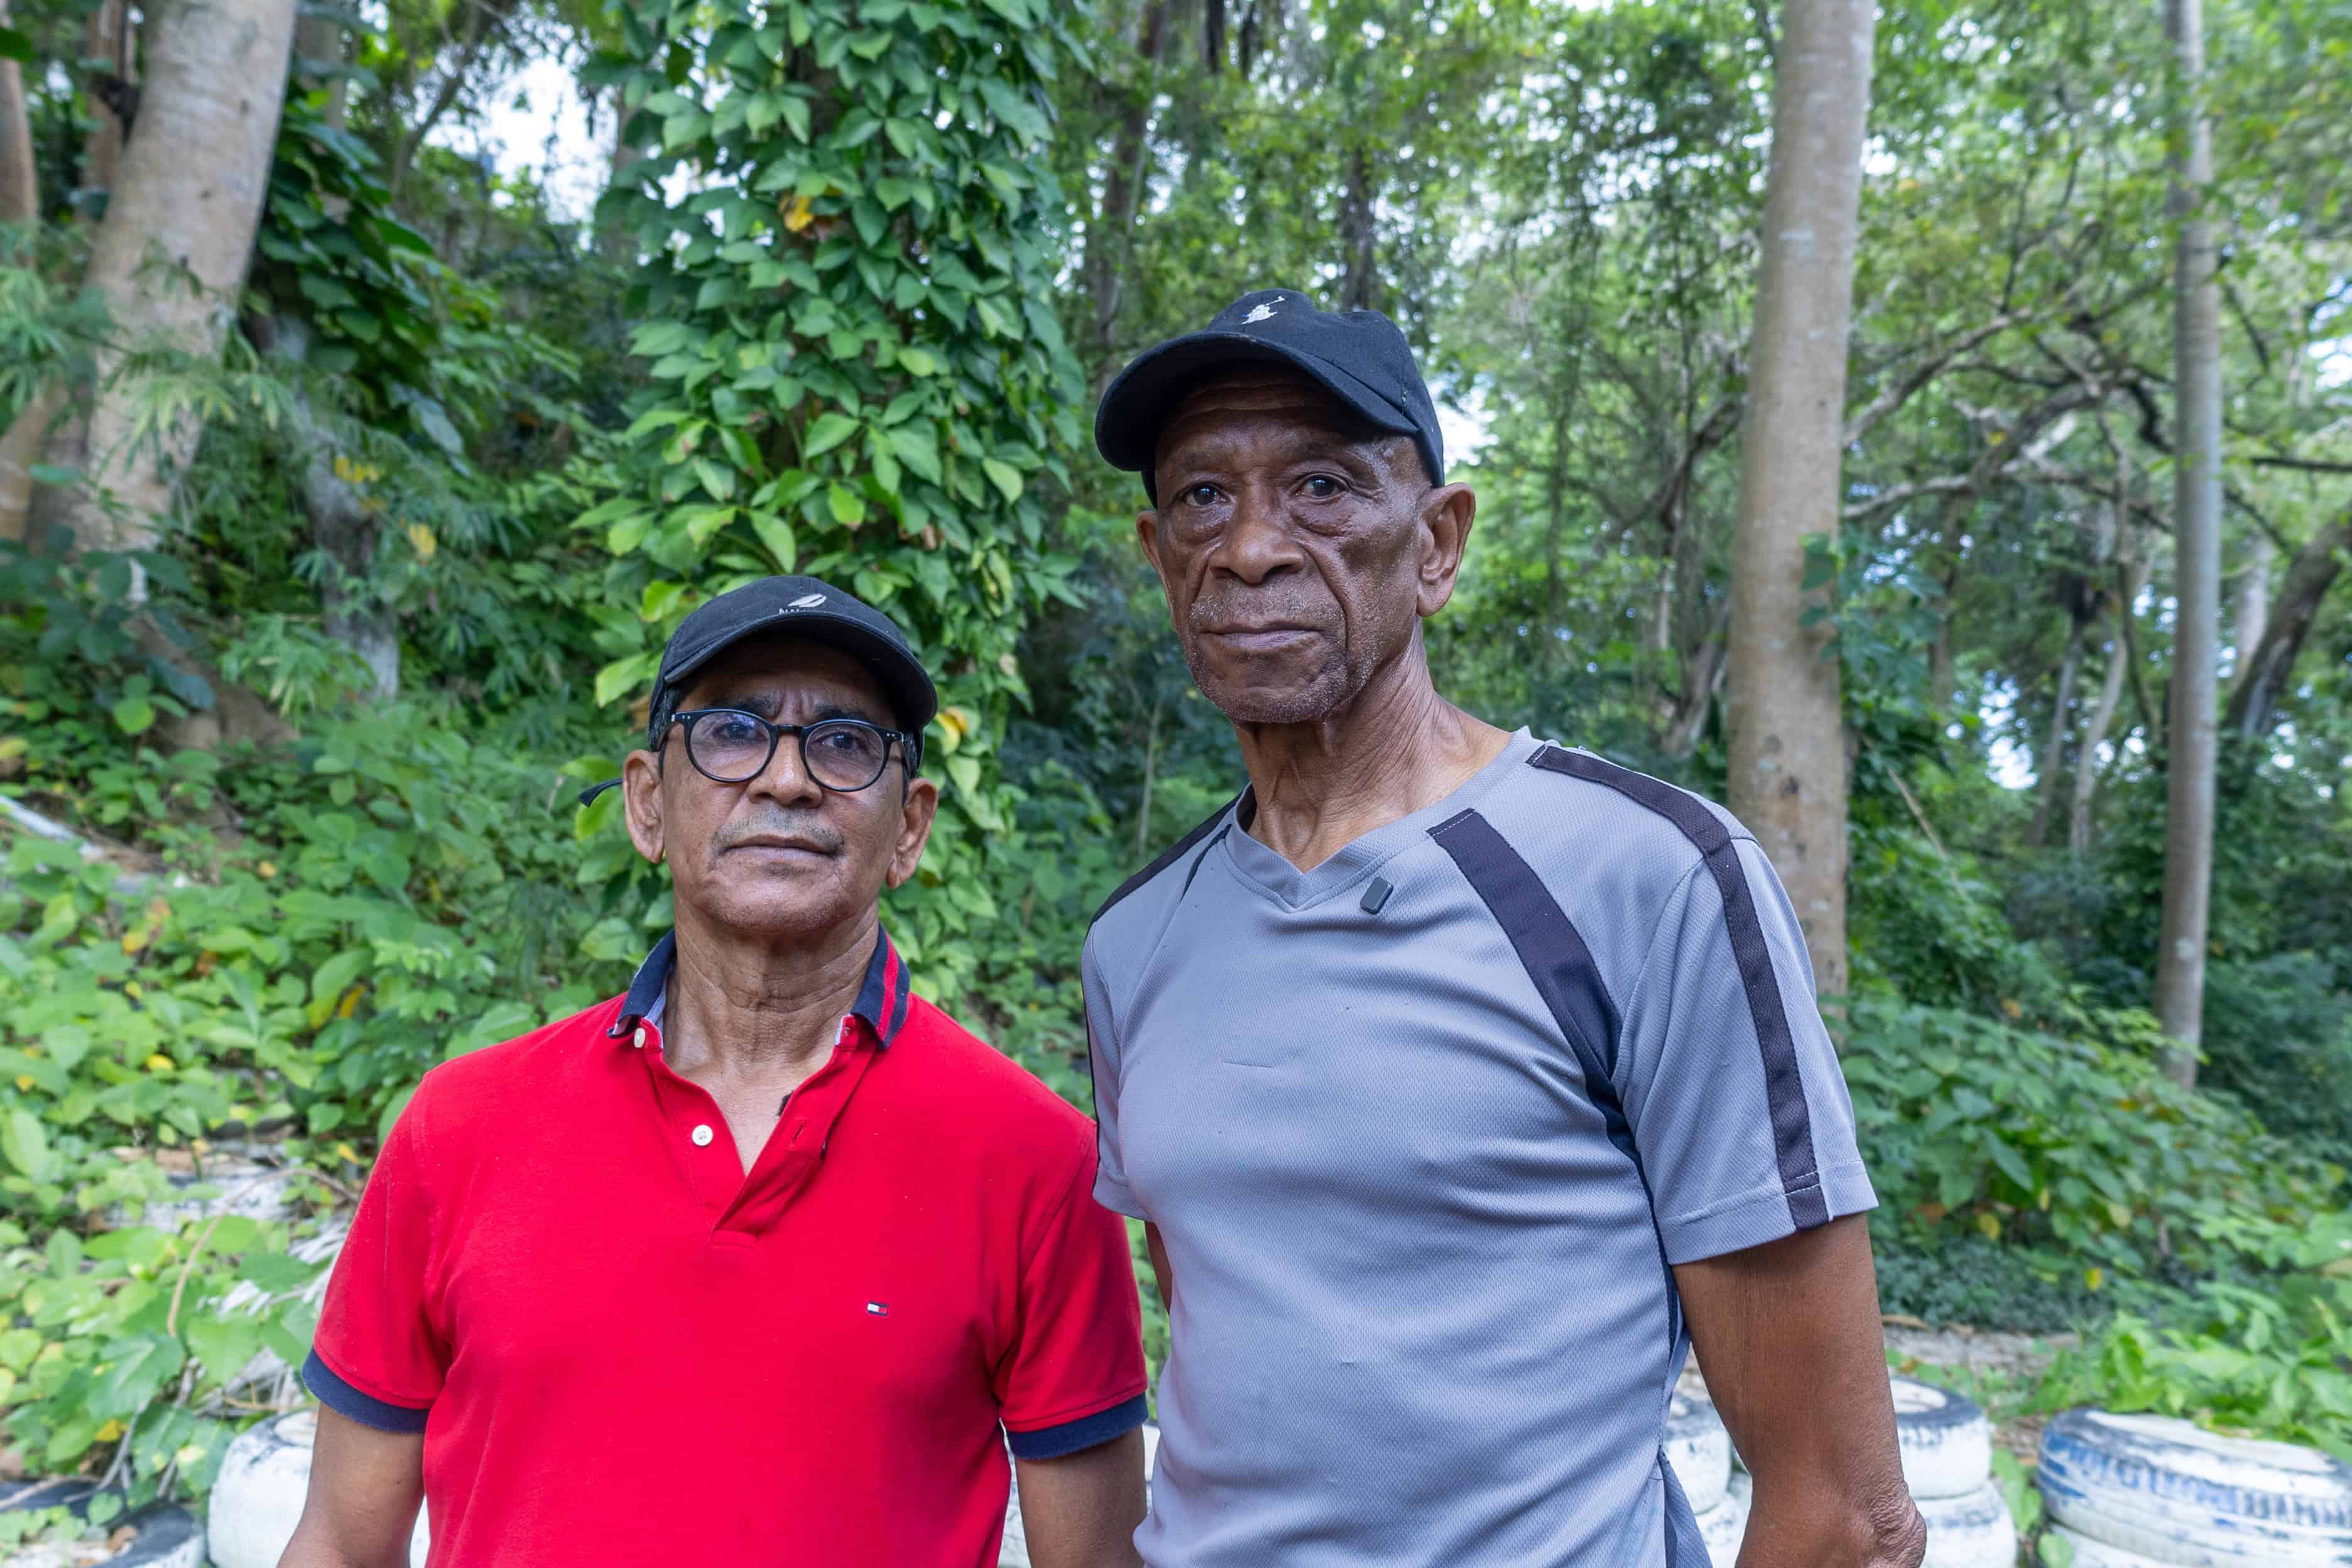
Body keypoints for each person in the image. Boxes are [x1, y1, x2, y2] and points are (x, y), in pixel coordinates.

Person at [1082, 290, 1927, 1567]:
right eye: (1204, 497)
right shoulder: (1137, 942)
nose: (1250, 547)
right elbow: (1223, 1317)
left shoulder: (1645, 878)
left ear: (1437, 544)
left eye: (1321, 486)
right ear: (1159, 557)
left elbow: (1847, 1514)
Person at [283, 577, 1150, 1568]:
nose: (786, 780)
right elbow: (343, 1545)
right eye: (733, 732)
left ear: (909, 827)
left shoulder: (1034, 1159)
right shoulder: (462, 1126)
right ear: (648, 804)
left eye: (844, 742)